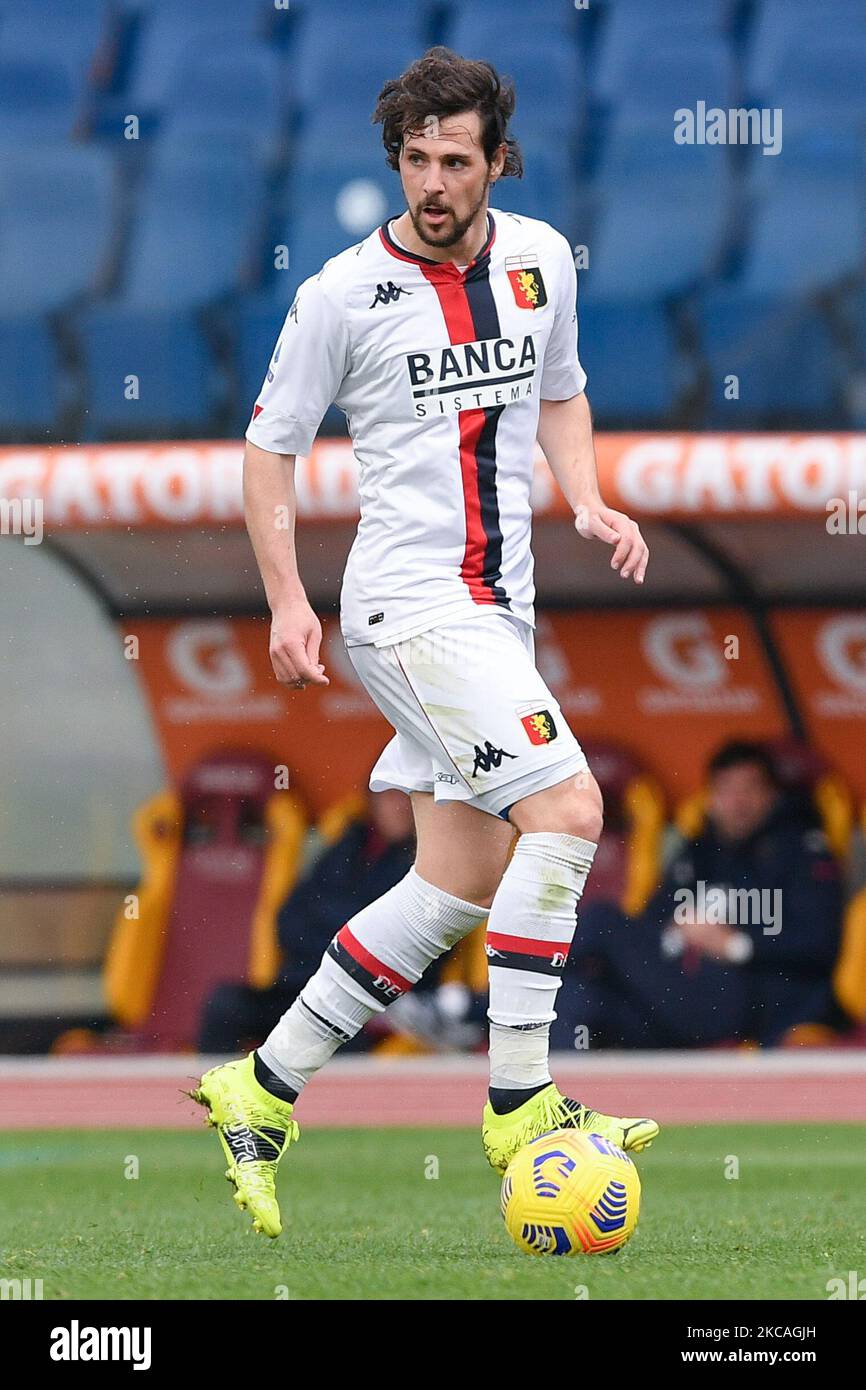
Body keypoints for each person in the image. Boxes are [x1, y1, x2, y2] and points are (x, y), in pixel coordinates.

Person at [191, 47, 657, 1238]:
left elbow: (559, 391)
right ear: (393, 161)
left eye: (455, 160)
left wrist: (588, 495)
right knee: (566, 816)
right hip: (407, 607)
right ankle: (518, 1103)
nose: (433, 182)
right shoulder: (343, 292)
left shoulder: (542, 258)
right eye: (414, 160)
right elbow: (269, 446)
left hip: (498, 608)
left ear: (495, 160)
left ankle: (262, 1084)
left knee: (452, 882)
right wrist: (287, 598)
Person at [550, 741, 845, 1050]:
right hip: (677, 996)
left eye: (749, 789)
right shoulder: (701, 850)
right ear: (712, 798)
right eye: (726, 791)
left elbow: (819, 941)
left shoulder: (803, 851)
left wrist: (734, 944)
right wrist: (679, 934)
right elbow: (652, 923)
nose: (737, 802)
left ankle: (505, 998)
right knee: (578, 996)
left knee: (601, 921)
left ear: (771, 796)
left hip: (748, 999)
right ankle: (552, 1089)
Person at [198, 790, 416, 1054]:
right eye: (391, 797)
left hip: (364, 1000)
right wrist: (340, 930)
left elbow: (394, 941)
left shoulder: (425, 861)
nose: (400, 807)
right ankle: (217, 1092)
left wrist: (330, 924)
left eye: (410, 797)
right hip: (301, 985)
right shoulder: (346, 845)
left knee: (344, 1037)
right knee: (225, 1006)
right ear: (373, 802)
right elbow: (288, 920)